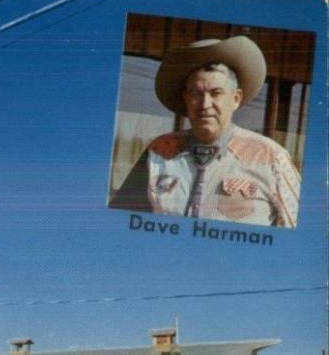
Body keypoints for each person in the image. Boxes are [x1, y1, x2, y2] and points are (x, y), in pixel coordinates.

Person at [110, 36, 300, 228]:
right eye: (196, 93)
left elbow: (300, 237)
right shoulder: (159, 150)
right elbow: (121, 223)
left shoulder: (272, 158)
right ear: (185, 98)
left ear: (235, 98)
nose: (205, 104)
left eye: (216, 93)